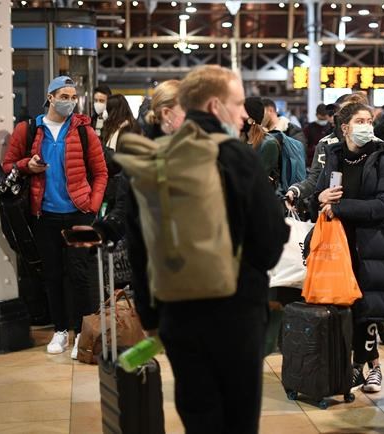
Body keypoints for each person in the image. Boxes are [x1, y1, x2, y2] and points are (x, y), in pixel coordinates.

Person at [125, 65, 289, 434]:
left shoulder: (155, 157)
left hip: (175, 311)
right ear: (216, 105)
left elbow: (138, 246)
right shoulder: (239, 156)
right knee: (238, 419)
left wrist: (151, 317)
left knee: (199, 416)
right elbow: (270, 238)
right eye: (238, 103)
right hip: (237, 309)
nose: (245, 113)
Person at [2, 76, 108, 358]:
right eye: (64, 95)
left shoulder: (84, 131)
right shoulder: (29, 129)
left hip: (79, 213)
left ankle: (81, 334)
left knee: (80, 275)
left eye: (74, 97)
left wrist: (92, 206)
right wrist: (28, 165)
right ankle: (60, 331)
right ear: (50, 97)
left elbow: (101, 173)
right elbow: (8, 164)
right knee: (52, 276)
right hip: (44, 215)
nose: (70, 101)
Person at [312, 101, 384, 393]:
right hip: (339, 242)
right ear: (345, 127)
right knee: (342, 305)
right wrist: (321, 197)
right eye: (360, 121)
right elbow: (321, 195)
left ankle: (372, 366)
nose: (367, 127)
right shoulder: (334, 155)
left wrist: (342, 208)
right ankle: (350, 366)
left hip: (373, 244)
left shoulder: (382, 157)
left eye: (369, 121)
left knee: (368, 308)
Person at [242, 96, 281, 185]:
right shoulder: (242, 141)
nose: (240, 116)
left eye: (243, 113)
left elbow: (257, 178)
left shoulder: (268, 144)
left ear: (251, 120)